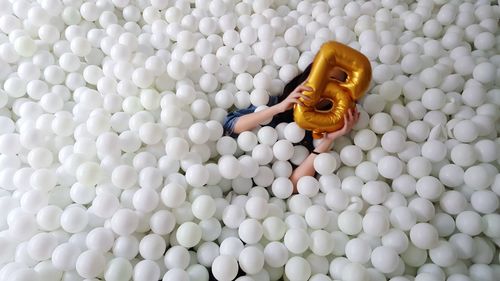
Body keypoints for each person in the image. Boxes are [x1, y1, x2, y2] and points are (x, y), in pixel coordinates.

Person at [223, 63, 360, 192]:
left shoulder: (313, 136)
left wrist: (328, 140)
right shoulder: (273, 104)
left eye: (334, 83)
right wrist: (277, 108)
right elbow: (230, 126)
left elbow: (292, 187)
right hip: (230, 172)